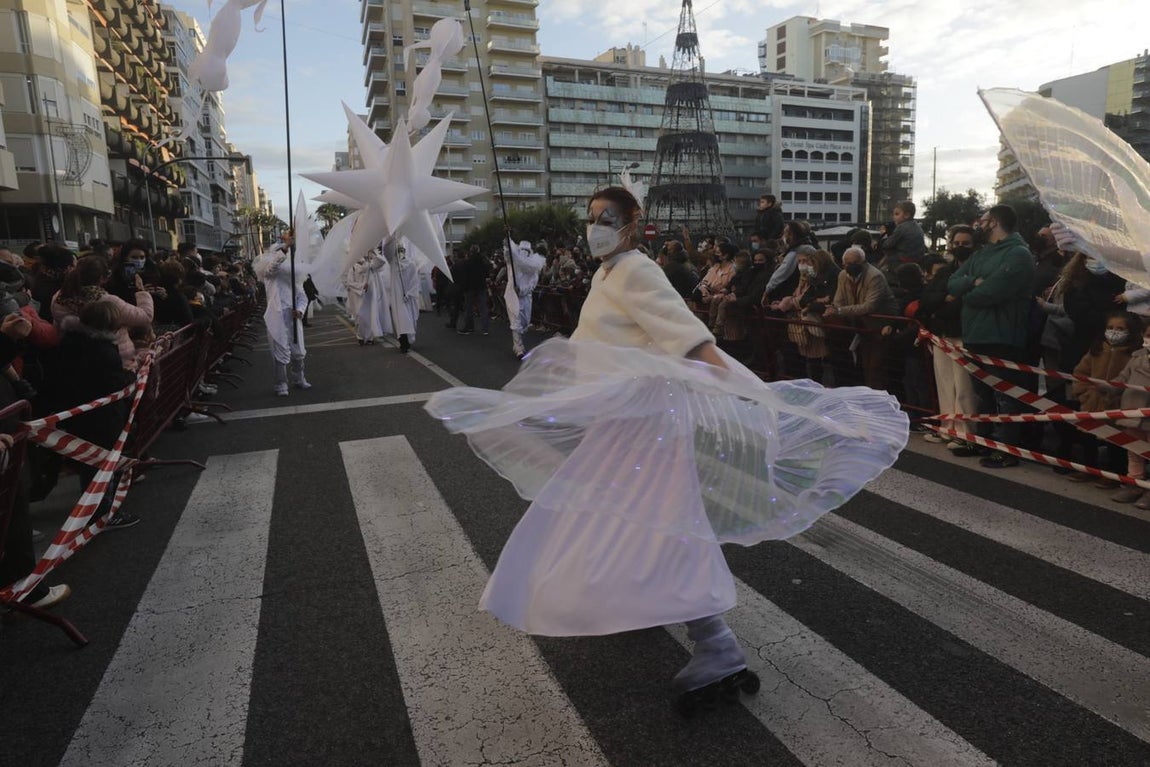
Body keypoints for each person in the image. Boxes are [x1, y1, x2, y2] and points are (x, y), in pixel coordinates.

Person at [426, 186, 908, 714]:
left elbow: (690, 340)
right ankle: (654, 610)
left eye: (605, 217)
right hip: (620, 422)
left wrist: (745, 393)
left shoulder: (635, 270)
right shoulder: (607, 272)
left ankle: (716, 644)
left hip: (645, 427)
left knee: (655, 523)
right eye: (590, 218)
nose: (595, 227)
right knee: (627, 520)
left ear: (634, 223)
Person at [947, 205, 1036, 469]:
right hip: (976, 333)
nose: (978, 225)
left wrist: (969, 290)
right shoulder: (983, 253)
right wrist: (973, 283)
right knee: (982, 393)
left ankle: (1006, 447)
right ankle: (983, 438)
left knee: (1005, 395)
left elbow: (991, 293)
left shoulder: (1018, 254)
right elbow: (952, 281)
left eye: (982, 221)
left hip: (1003, 335)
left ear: (994, 222)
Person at [1067, 311, 1141, 488]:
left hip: (1118, 405)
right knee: (1088, 437)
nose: (1114, 332)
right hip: (1092, 402)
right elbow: (1080, 372)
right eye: (1110, 328)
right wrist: (1084, 393)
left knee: (1115, 442)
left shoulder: (1134, 355)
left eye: (1120, 328)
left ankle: (1114, 473)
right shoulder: (1097, 349)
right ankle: (1088, 467)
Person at [919, 227, 978, 447]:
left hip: (963, 333)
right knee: (944, 383)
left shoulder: (976, 271)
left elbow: (963, 302)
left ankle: (965, 434)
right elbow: (927, 298)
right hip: (941, 334)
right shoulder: (945, 272)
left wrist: (943, 303)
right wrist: (945, 298)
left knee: (964, 387)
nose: (960, 247)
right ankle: (947, 428)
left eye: (966, 243)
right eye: (957, 243)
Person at [825, 245, 899, 390]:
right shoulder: (842, 275)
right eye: (847, 263)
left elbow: (869, 306)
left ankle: (879, 397)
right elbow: (838, 300)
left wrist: (839, 310)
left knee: (876, 366)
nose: (850, 266)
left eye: (854, 263)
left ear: (863, 262)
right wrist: (838, 308)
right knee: (864, 364)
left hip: (881, 324)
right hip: (861, 324)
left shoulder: (874, 276)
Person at [253, 235, 309, 396]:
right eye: (280, 253)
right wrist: (284, 248)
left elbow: (302, 296)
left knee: (298, 350)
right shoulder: (269, 274)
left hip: (293, 316)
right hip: (276, 316)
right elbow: (273, 267)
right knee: (280, 350)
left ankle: (299, 378)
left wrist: (299, 310)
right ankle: (281, 384)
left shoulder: (293, 279)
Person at [1109, 321, 1150, 508]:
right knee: (1134, 450)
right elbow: (1123, 378)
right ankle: (1134, 483)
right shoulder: (1136, 357)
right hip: (1132, 411)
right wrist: (1110, 387)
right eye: (1148, 335)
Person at [385, 244, 421, 353]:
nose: (400, 253)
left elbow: (414, 282)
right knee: (400, 321)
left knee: (409, 319)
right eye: (398, 251)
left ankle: (407, 341)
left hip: (408, 299)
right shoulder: (393, 265)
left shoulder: (411, 265)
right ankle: (403, 343)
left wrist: (409, 294)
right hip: (397, 299)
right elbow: (386, 251)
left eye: (402, 250)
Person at [880, 200, 927, 268]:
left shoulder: (901, 227)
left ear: (907, 215)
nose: (894, 217)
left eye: (897, 214)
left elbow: (887, 244)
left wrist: (883, 236)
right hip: (918, 260)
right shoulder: (917, 226)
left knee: (888, 254)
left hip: (903, 260)